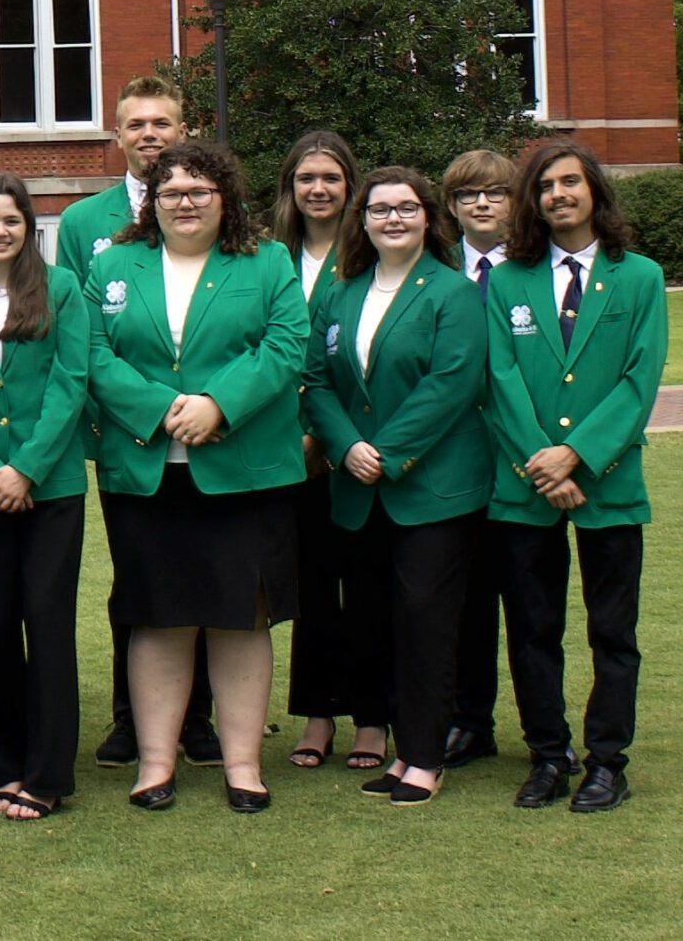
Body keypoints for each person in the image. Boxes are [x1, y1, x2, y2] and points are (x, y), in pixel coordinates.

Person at [77, 139, 307, 813]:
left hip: (243, 472)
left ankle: (242, 765)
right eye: (171, 190)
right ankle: (154, 763)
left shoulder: (266, 262)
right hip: (147, 472)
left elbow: (286, 344)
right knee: (157, 617)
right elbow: (91, 350)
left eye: (200, 190)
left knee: (242, 617)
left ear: (226, 198)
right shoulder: (115, 265)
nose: (185, 201)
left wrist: (219, 405)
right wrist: (159, 407)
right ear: (150, 200)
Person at [484, 141, 665, 815]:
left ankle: (607, 763)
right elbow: (497, 378)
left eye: (570, 183)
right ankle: (547, 755)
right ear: (531, 201)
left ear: (594, 192)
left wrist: (579, 456)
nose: (558, 195)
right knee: (532, 630)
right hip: (525, 488)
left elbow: (638, 379)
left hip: (608, 485)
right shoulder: (506, 281)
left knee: (612, 632)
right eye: (545, 186)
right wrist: (543, 460)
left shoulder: (640, 277)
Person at [302, 168, 493, 804]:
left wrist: (384, 453)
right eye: (380, 209)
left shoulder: (453, 293)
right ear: (363, 222)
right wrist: (343, 445)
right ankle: (399, 748)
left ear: (428, 218)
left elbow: (452, 383)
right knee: (376, 619)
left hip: (433, 490)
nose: (392, 219)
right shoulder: (339, 294)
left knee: (426, 620)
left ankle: (423, 756)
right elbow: (319, 381)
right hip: (358, 489)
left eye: (406, 209)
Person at [53, 77, 218, 768]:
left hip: (213, 436)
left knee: (213, 576)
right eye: (136, 124)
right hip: (127, 436)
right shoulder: (82, 224)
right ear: (115, 136)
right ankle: (132, 718)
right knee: (138, 579)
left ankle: (199, 720)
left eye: (162, 123)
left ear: (184, 131)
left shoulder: (218, 215)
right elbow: (75, 333)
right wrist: (112, 422)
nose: (149, 134)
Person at [0, 172, 91, 820]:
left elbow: (72, 381)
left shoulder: (61, 289)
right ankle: (0, 764)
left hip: (50, 491)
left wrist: (26, 468)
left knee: (49, 624)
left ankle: (47, 772)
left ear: (28, 226)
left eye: (10, 220)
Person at [270, 129, 372, 773]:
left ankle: (372, 718)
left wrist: (333, 436)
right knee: (311, 590)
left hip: (356, 449)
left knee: (366, 585)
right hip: (289, 453)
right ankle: (316, 715)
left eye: (330, 178)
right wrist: (302, 437)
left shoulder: (369, 256)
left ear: (349, 187)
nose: (318, 189)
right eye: (306, 178)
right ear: (290, 188)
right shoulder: (270, 257)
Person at [438, 146, 518, 769]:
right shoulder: (436, 268)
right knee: (465, 602)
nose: (481, 204)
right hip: (452, 459)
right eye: (468, 195)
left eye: (494, 193)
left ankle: (545, 720)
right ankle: (470, 719)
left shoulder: (535, 268)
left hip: (519, 456)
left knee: (527, 600)